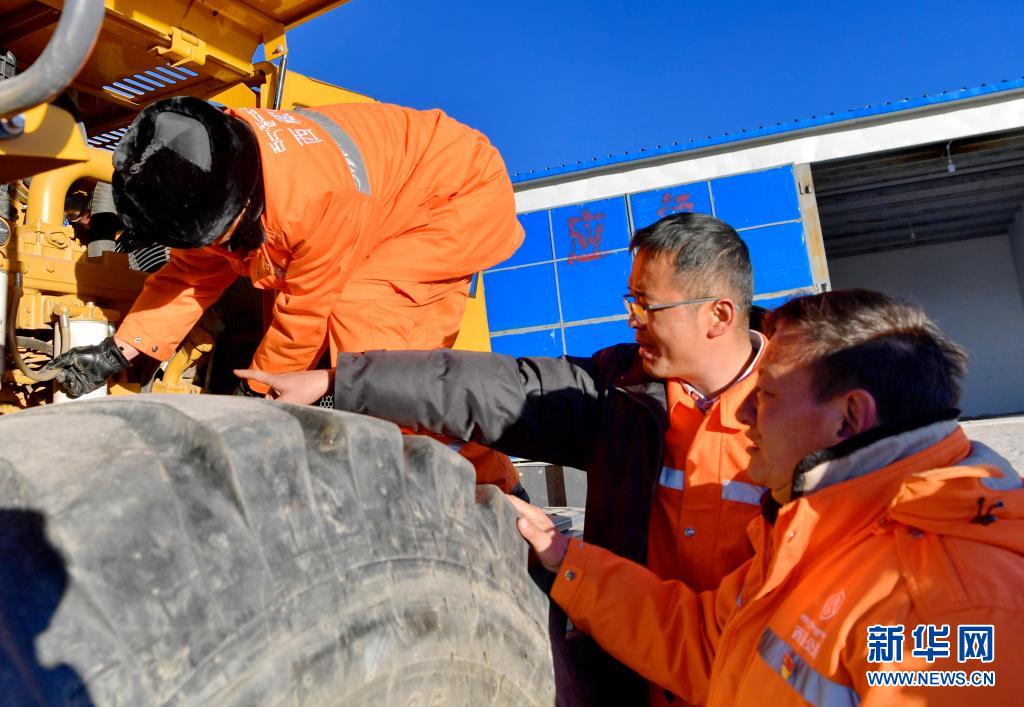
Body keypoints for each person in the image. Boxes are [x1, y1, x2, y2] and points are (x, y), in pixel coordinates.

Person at [238, 212, 770, 705]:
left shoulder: (801, 431)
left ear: (718, 315)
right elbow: (486, 388)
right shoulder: (624, 395)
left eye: (647, 306)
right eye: (630, 301)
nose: (632, 321)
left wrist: (570, 559)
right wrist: (338, 381)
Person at [510, 288, 1024, 706]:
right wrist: (565, 558)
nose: (744, 414)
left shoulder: (954, 607)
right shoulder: (817, 529)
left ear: (848, 417)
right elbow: (707, 646)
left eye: (769, 393)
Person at [43, 95, 524, 490]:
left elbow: (303, 315)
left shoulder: (314, 202)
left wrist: (254, 396)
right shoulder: (214, 163)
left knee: (377, 360)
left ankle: (492, 492)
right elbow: (190, 274)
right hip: (388, 197)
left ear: (240, 205)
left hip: (451, 196)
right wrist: (115, 352)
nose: (218, 247)